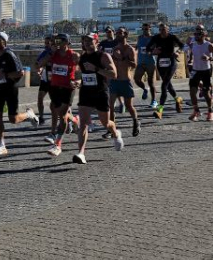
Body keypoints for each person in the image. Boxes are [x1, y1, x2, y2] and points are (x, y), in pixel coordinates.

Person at [0, 33, 39, 156]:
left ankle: (29, 114)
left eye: (0, 40)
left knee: (13, 119)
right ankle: (1, 144)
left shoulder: (10, 54)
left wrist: (5, 75)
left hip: (10, 89)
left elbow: (21, 73)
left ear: (5, 42)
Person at [73, 33, 124, 164]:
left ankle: (115, 133)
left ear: (96, 42)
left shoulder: (104, 56)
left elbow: (114, 74)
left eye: (90, 41)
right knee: (83, 123)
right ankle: (81, 153)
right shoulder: (83, 57)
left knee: (105, 123)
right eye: (85, 41)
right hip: (86, 92)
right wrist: (79, 82)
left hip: (101, 92)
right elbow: (85, 75)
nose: (87, 43)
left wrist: (96, 68)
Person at [41, 33, 80, 157]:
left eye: (61, 40)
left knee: (62, 116)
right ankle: (75, 120)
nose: (58, 42)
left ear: (67, 42)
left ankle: (57, 145)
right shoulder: (53, 54)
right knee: (59, 113)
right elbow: (39, 64)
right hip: (54, 87)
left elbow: (86, 70)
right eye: (57, 40)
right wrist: (51, 53)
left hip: (68, 88)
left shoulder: (74, 55)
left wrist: (79, 81)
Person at [146, 22, 184, 118]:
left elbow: (182, 45)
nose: (162, 31)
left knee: (164, 86)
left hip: (171, 63)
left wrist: (178, 52)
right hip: (161, 63)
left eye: (163, 29)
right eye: (160, 29)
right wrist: (152, 51)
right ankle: (178, 99)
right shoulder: (156, 38)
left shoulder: (172, 37)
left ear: (168, 30)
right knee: (168, 85)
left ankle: (160, 110)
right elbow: (147, 49)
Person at [109, 27, 141, 137]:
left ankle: (136, 122)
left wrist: (123, 58)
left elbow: (134, 65)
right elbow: (111, 64)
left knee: (129, 106)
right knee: (111, 106)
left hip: (125, 81)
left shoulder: (130, 49)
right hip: (114, 81)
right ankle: (112, 129)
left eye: (120, 33)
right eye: (117, 33)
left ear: (125, 35)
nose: (118, 35)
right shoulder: (114, 49)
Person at [186, 25, 213, 121]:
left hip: (206, 71)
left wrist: (209, 58)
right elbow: (192, 56)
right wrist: (190, 62)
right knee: (192, 92)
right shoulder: (193, 45)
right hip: (195, 70)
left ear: (204, 35)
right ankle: (196, 111)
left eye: (198, 34)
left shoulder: (209, 45)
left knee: (206, 93)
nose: (196, 36)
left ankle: (210, 111)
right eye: (195, 34)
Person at [134, 22, 157, 107]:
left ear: (150, 29)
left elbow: (157, 49)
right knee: (136, 79)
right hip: (140, 62)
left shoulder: (153, 38)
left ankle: (154, 101)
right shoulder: (139, 38)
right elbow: (137, 47)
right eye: (143, 29)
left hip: (150, 62)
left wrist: (151, 52)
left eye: (146, 29)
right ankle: (145, 89)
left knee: (151, 82)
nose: (144, 31)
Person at [35, 35, 54, 125]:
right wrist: (39, 69)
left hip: (54, 80)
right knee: (39, 99)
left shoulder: (57, 53)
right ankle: (41, 117)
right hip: (45, 79)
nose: (46, 45)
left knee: (54, 102)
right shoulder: (44, 52)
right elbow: (37, 63)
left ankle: (68, 119)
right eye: (45, 43)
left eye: (48, 43)